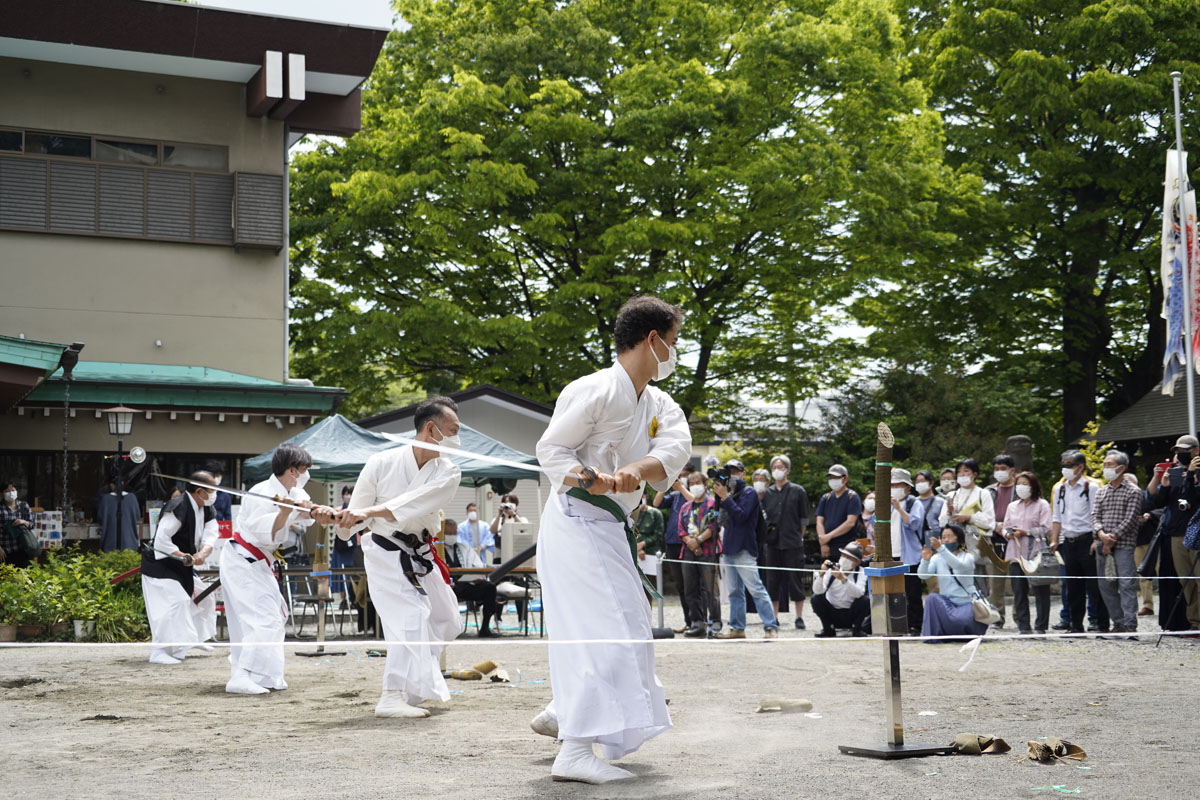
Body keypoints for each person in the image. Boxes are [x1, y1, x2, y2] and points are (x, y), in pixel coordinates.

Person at [531, 295, 692, 784]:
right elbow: (551, 449)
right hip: (578, 520)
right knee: (610, 626)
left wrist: (630, 472)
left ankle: (566, 710)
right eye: (674, 341)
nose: (675, 351)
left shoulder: (658, 403)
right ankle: (575, 749)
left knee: (627, 624)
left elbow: (673, 450)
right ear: (653, 340)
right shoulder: (595, 389)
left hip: (610, 528)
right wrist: (586, 476)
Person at [338, 397, 465, 718]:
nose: (458, 438)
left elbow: (412, 503)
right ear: (432, 429)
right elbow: (359, 517)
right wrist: (342, 518)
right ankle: (391, 695)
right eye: (454, 430)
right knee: (410, 618)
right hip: (385, 551)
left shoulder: (449, 471)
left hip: (421, 551)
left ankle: (414, 683)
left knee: (448, 619)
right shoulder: (381, 462)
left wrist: (361, 512)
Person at [222, 444, 335, 694]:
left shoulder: (293, 491)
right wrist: (283, 513)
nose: (306, 474)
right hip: (243, 559)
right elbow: (268, 534)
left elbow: (307, 509)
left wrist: (320, 512)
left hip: (259, 562)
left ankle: (264, 675)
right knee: (262, 618)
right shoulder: (260, 492)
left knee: (276, 616)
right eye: (304, 469)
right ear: (293, 470)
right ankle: (240, 676)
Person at [140, 471, 219, 665]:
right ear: (200, 491)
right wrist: (185, 556)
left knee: (205, 598)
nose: (214, 494)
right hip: (161, 564)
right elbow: (161, 540)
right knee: (175, 604)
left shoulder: (206, 507)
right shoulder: (178, 506)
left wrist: (202, 554)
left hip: (184, 565)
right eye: (211, 490)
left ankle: (192, 639)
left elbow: (211, 534)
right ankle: (158, 650)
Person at [714, 463, 780, 640]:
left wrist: (725, 498)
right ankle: (737, 628)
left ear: (743, 474)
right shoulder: (728, 491)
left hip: (745, 547)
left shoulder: (749, 493)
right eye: (729, 472)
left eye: (736, 472)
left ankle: (771, 626)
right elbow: (718, 516)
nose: (732, 475)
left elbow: (742, 516)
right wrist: (720, 495)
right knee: (734, 591)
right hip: (728, 547)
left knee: (756, 588)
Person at [1145, 434, 1200, 632]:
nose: (1180, 455)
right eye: (1178, 451)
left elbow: (1192, 497)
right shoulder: (1175, 474)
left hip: (1197, 532)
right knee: (1186, 582)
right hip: (1176, 534)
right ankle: (1195, 623)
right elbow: (1154, 502)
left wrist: (1192, 475)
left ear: (1196, 451)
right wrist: (1160, 481)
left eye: (1184, 451)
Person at [1050, 449, 1107, 634]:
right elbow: (1057, 516)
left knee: (1094, 585)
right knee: (1073, 586)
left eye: (1069, 465)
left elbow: (1097, 514)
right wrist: (1054, 540)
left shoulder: (1091, 487)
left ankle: (1098, 622)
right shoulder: (1060, 488)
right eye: (1063, 465)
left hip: (1087, 539)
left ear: (1080, 467)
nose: (1065, 468)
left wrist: (1096, 539)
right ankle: (1075, 625)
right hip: (1068, 540)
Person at [1091, 450, 1143, 635]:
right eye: (1104, 464)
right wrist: (1101, 534)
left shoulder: (1134, 491)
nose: (1106, 468)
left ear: (1121, 468)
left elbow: (1130, 520)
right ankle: (1118, 622)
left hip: (1123, 545)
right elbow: (1095, 515)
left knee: (1127, 584)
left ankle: (1130, 623)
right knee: (1105, 585)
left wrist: (1111, 538)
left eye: (1109, 465)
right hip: (1102, 545)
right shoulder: (1101, 491)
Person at [760, 455, 810, 630]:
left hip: (793, 542)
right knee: (772, 581)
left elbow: (804, 519)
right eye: (774, 467)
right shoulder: (767, 493)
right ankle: (774, 617)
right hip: (773, 544)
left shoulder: (798, 491)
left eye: (781, 467)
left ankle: (799, 616)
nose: (777, 470)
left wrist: (798, 536)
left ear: (788, 469)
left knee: (795, 580)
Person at [1000, 471, 1053, 635]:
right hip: (1016, 554)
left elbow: (1047, 529)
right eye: (1019, 484)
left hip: (1037, 553)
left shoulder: (1042, 504)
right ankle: (1024, 626)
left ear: (1033, 486)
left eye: (1025, 484)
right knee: (1019, 591)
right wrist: (1007, 533)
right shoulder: (1012, 506)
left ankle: (1041, 626)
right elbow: (1005, 526)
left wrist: (1026, 532)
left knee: (1041, 591)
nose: (1021, 487)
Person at [918, 523, 989, 641]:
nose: (946, 540)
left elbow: (959, 565)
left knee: (960, 620)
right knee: (931, 599)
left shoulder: (967, 557)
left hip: (968, 603)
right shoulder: (937, 558)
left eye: (950, 537)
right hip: (947, 603)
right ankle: (933, 637)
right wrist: (925, 560)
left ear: (959, 539)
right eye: (943, 537)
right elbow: (923, 575)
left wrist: (941, 549)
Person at [894, 468, 941, 635]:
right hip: (891, 553)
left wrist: (899, 509)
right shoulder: (885, 504)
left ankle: (916, 625)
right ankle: (898, 624)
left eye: (898, 485)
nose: (894, 488)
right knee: (894, 593)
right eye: (892, 485)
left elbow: (914, 524)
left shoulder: (915, 503)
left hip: (910, 555)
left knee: (913, 593)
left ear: (907, 487)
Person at [677, 471, 720, 637]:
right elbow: (681, 529)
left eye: (698, 482)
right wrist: (691, 543)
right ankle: (697, 622)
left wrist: (699, 540)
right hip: (688, 552)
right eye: (692, 483)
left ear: (705, 484)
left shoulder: (712, 503)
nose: (695, 486)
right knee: (690, 588)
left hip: (708, 550)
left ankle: (715, 622)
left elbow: (714, 526)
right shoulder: (685, 507)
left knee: (710, 588)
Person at [652, 465, 695, 633]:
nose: (681, 477)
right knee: (681, 585)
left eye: (685, 474)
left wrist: (682, 487)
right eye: (680, 474)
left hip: (690, 542)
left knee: (693, 584)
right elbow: (656, 503)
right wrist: (666, 483)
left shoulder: (692, 492)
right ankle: (689, 621)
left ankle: (699, 620)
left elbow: (695, 502)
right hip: (672, 542)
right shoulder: (675, 495)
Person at [441, 518, 500, 637]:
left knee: (489, 588)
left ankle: (485, 628)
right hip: (446, 586)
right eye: (448, 533)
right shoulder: (437, 550)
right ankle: (449, 629)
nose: (452, 536)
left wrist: (477, 576)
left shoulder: (464, 547)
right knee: (445, 591)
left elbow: (477, 565)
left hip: (466, 584)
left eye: (454, 533)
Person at [938, 458, 995, 567]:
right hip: (954, 546)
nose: (962, 474)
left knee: (977, 580)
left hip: (976, 546)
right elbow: (942, 523)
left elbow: (990, 522)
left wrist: (969, 517)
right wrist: (949, 512)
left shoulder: (983, 494)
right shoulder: (951, 495)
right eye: (959, 472)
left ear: (975, 474)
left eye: (966, 471)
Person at [984, 454, 1018, 627]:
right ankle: (997, 617)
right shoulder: (989, 490)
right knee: (995, 582)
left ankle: (1020, 617)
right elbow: (981, 514)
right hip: (995, 538)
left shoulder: (1021, 488)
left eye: (1003, 469)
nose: (999, 472)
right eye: (996, 469)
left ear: (1012, 470)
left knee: (1018, 581)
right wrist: (995, 525)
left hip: (1016, 539)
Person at [811, 541, 870, 637]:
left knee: (865, 600)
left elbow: (859, 593)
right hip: (833, 613)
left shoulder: (861, 572)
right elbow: (817, 591)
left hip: (851, 613)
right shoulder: (832, 569)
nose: (844, 559)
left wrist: (843, 579)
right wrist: (821, 574)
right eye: (843, 555)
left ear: (857, 562)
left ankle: (857, 629)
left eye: (849, 558)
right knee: (815, 598)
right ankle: (827, 629)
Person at [815, 464, 863, 559]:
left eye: (836, 477)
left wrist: (829, 536)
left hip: (848, 546)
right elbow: (819, 521)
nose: (832, 480)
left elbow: (850, 522)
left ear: (845, 479)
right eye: (830, 478)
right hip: (828, 546)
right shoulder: (826, 498)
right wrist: (823, 542)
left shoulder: (852, 497)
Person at [1135, 506, 1163, 617]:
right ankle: (1148, 606)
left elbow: (1163, 507)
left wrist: (1150, 515)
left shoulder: (1146, 496)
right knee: (1142, 575)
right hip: (1137, 541)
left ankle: (1167, 606)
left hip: (1154, 540)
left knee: (1162, 573)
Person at [331, 485, 357, 606]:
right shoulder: (338, 509)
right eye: (346, 493)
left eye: (350, 493)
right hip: (341, 546)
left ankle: (353, 597)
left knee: (353, 573)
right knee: (340, 572)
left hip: (353, 546)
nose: (348, 496)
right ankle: (343, 599)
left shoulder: (358, 510)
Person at [0, 480, 35, 568]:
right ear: (2, 493)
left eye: (13, 490)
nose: (11, 493)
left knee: (23, 579)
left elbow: (32, 524)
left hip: (22, 550)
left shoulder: (23, 506)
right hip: (4, 551)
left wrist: (23, 522)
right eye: (7, 491)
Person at [635, 489, 664, 557]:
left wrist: (642, 544)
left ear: (646, 496)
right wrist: (636, 548)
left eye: (641, 496)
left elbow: (658, 535)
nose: (639, 499)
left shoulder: (655, 513)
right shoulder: (631, 514)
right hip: (634, 551)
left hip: (652, 553)